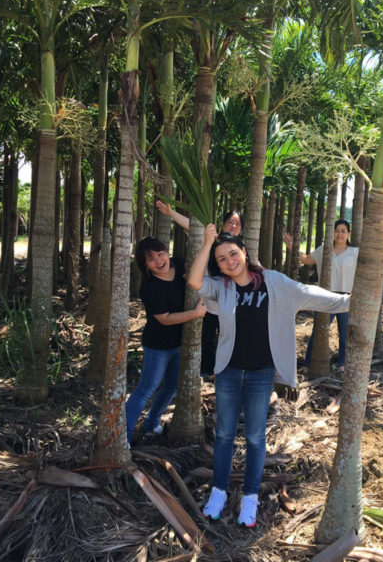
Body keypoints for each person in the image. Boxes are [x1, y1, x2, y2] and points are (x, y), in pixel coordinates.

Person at [189, 225, 349, 527]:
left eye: (233, 254)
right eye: (222, 259)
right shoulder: (221, 286)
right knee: (224, 435)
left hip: (261, 373)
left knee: (254, 437)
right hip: (228, 372)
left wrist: (347, 301)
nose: (229, 261)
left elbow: (308, 293)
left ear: (244, 252)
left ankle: (250, 496)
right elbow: (195, 282)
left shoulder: (273, 282)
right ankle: (219, 491)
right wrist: (208, 243)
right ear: (219, 265)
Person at [125, 237, 206, 445]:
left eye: (160, 254)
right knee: (146, 389)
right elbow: (165, 318)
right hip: (157, 346)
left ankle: (151, 424)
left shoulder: (179, 265)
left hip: (180, 343)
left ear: (166, 252)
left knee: (171, 387)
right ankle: (122, 437)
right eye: (150, 259)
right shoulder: (150, 287)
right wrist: (195, 314)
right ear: (146, 266)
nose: (158, 261)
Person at [156, 201, 244, 376]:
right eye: (230, 222)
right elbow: (192, 226)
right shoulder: (213, 239)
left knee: (230, 340)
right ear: (223, 225)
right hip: (208, 304)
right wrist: (171, 213)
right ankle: (206, 371)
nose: (234, 226)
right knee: (206, 339)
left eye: (238, 223)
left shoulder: (242, 248)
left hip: (231, 305)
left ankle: (227, 371)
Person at [284, 219, 359, 367]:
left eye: (343, 231)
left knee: (345, 333)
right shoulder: (324, 249)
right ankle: (309, 364)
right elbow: (306, 260)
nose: (339, 234)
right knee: (318, 331)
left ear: (349, 234)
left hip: (347, 297)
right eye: (337, 231)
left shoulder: (355, 252)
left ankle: (342, 365)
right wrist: (291, 246)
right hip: (325, 295)